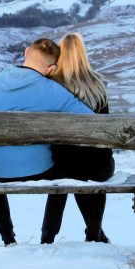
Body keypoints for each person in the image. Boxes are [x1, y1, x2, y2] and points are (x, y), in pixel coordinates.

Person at [0, 37, 94, 245]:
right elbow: (91, 122)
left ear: (26, 52)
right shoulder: (53, 91)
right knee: (64, 170)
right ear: (51, 69)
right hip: (39, 170)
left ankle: (7, 237)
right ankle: (47, 237)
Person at [42, 32, 114, 244]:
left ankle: (47, 237)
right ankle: (94, 234)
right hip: (98, 166)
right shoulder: (98, 85)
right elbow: (106, 131)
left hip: (64, 165)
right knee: (91, 172)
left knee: (69, 173)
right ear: (83, 54)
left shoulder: (52, 85)